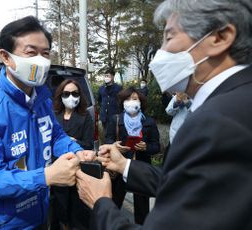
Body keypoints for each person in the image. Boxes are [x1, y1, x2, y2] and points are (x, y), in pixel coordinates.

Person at [76, 0, 252, 229]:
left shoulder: (219, 121)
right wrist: (124, 166)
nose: (160, 54)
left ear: (220, 37)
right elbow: (189, 184)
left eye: (169, 37)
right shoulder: (238, 101)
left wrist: (101, 203)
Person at [0, 16, 94, 230]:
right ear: (5, 56)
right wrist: (46, 176)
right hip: (7, 223)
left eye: (45, 53)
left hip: (41, 211)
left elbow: (55, 136)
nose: (40, 61)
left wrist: (77, 151)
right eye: (31, 53)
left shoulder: (43, 98)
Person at [105, 86, 160, 224]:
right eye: (128, 99)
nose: (131, 101)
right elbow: (108, 139)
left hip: (141, 168)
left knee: (142, 207)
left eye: (134, 99)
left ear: (140, 102)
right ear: (123, 102)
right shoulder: (115, 120)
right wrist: (114, 146)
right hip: (119, 169)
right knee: (115, 203)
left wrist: (146, 147)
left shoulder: (149, 121)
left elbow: (156, 146)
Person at [51, 79, 94, 230]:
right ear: (60, 96)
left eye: (75, 93)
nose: (71, 97)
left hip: (78, 169)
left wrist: (75, 142)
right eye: (67, 93)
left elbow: (89, 144)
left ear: (80, 95)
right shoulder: (53, 115)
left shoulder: (85, 116)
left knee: (77, 211)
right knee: (58, 208)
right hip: (56, 168)